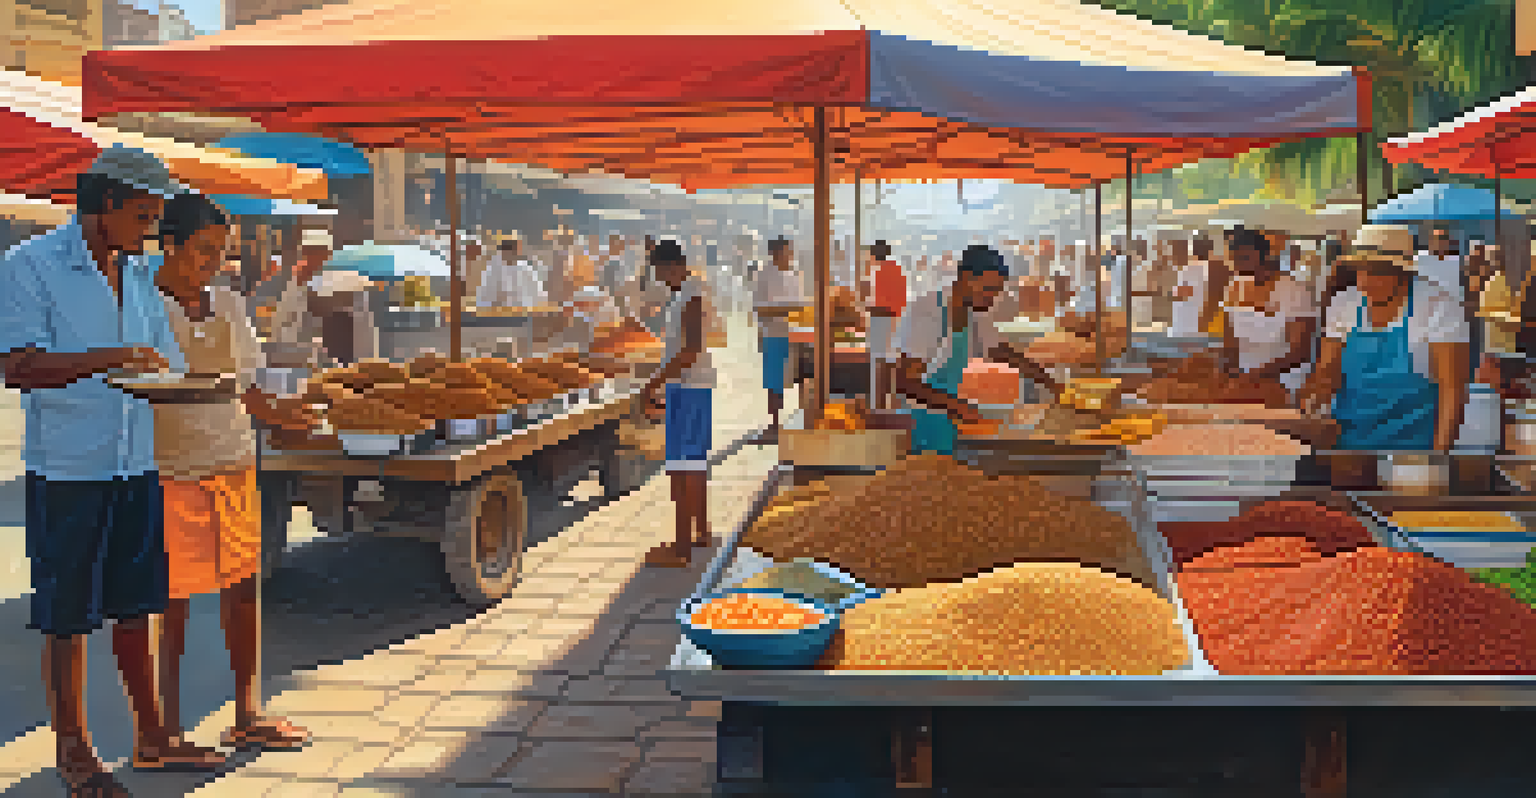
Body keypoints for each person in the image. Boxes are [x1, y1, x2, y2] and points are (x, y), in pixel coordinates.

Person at [0, 146, 217, 797]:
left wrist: (191, 383)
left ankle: (151, 737)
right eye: (144, 215)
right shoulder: (29, 265)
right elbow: (18, 365)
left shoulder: (140, 274)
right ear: (106, 205)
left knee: (134, 607)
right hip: (70, 467)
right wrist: (109, 357)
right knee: (67, 617)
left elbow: (165, 360)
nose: (151, 229)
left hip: (136, 463)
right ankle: (75, 751)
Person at [150, 193, 314, 760]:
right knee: (170, 603)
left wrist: (288, 413)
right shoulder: (142, 306)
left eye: (220, 253)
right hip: (169, 467)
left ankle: (248, 713)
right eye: (202, 250)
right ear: (168, 244)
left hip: (233, 459)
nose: (213, 263)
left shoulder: (226, 304)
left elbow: (248, 384)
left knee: (243, 589)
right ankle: (165, 729)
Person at [1299, 225, 1470, 451]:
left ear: (1403, 271)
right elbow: (1328, 370)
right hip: (1351, 443)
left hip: (1414, 448)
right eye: (1360, 271)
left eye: (1376, 272)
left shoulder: (1439, 307)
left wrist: (1436, 459)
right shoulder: (1344, 303)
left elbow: (1452, 390)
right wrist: (1314, 393)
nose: (1364, 283)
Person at [892, 245, 1012, 456]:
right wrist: (959, 406)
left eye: (996, 293)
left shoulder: (971, 313)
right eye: (988, 290)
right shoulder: (927, 313)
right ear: (966, 278)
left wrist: (1050, 383)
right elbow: (906, 382)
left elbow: (1000, 350)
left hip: (947, 421)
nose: (992, 299)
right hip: (919, 424)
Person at [639, 240, 715, 568]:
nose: (661, 279)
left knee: (682, 469)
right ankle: (700, 532)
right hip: (690, 387)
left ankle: (682, 546)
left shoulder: (690, 296)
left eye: (661, 271)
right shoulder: (686, 293)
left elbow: (690, 351)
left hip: (688, 388)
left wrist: (653, 382)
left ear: (674, 267)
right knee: (693, 465)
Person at [1219, 227, 1319, 401]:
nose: (1238, 265)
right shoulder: (1234, 286)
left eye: (1244, 258)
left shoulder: (1294, 289)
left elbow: (1300, 351)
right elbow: (1229, 341)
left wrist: (1257, 376)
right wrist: (1231, 371)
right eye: (1234, 259)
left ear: (1264, 256)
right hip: (1244, 382)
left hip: (1285, 382)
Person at [753, 237, 806, 440]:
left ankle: (802, 420)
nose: (790, 256)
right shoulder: (764, 275)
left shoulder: (794, 274)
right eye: (786, 252)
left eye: (790, 252)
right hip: (773, 334)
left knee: (801, 377)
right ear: (775, 253)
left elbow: (800, 305)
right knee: (774, 383)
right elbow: (760, 309)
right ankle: (774, 424)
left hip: (795, 334)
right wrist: (788, 309)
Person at [867, 240, 907, 411]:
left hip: (882, 321)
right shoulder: (898, 269)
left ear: (874, 254)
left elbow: (881, 304)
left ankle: (878, 405)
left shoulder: (880, 272)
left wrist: (866, 308)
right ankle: (892, 404)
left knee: (878, 363)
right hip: (895, 321)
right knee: (891, 362)